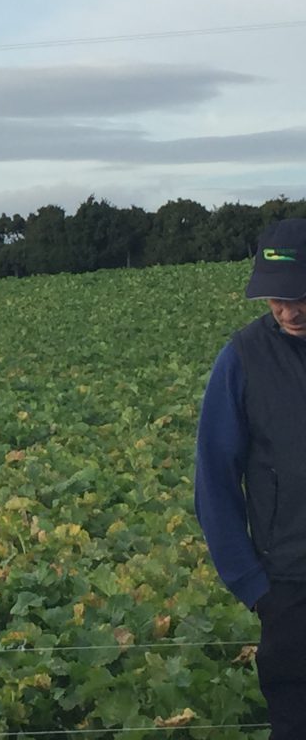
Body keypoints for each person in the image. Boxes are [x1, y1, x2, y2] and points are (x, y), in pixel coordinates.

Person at [196, 216, 306, 738]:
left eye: (300, 294)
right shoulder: (240, 360)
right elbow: (214, 483)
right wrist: (254, 586)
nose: (289, 309)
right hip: (288, 588)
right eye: (276, 298)